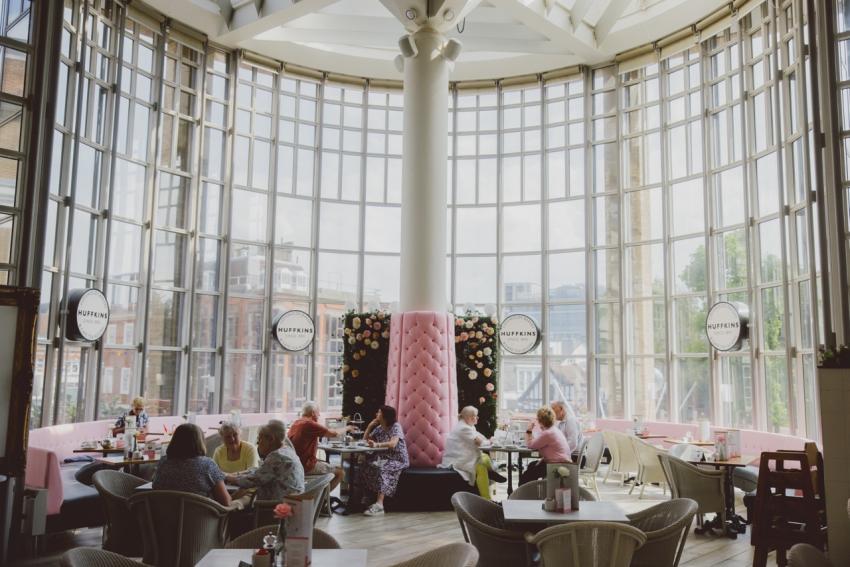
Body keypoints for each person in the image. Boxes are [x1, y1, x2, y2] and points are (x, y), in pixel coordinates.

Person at [152, 423, 231, 506]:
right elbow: (226, 502)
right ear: (200, 442)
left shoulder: (163, 462)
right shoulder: (208, 464)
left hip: (163, 513)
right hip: (199, 514)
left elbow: (154, 486)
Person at [225, 420, 305, 501]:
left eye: (259, 439)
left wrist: (228, 478)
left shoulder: (277, 456)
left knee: (237, 497)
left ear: (271, 439)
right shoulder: (287, 450)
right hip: (293, 502)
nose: (258, 443)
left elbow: (252, 480)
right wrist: (235, 474)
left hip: (277, 505)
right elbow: (260, 471)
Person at [439, 406, 505, 500]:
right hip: (457, 459)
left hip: (464, 456)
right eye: (475, 416)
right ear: (469, 417)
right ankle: (487, 499)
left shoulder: (468, 426)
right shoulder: (463, 428)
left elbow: (481, 438)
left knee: (485, 457)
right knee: (481, 466)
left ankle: (492, 473)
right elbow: (479, 442)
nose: (477, 418)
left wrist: (487, 440)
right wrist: (489, 442)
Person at [288, 401, 355, 494]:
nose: (319, 415)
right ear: (313, 413)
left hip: (296, 464)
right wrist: (348, 428)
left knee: (326, 464)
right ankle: (322, 499)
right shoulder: (309, 424)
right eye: (318, 412)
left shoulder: (296, 423)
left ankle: (321, 496)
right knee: (340, 472)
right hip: (305, 466)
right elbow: (334, 434)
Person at [360, 405, 409, 516]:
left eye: (379, 412)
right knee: (365, 466)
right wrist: (369, 427)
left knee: (382, 469)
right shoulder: (379, 429)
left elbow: (393, 444)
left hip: (398, 459)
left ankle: (379, 505)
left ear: (385, 415)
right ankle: (367, 497)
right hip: (383, 459)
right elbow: (365, 441)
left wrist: (377, 445)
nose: (376, 414)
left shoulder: (396, 427)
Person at [519, 406, 572, 485]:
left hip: (555, 465)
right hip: (562, 462)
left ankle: (524, 490)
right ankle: (532, 489)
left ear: (540, 421)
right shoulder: (554, 430)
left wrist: (529, 430)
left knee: (526, 477)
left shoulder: (548, 433)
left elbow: (530, 445)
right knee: (532, 465)